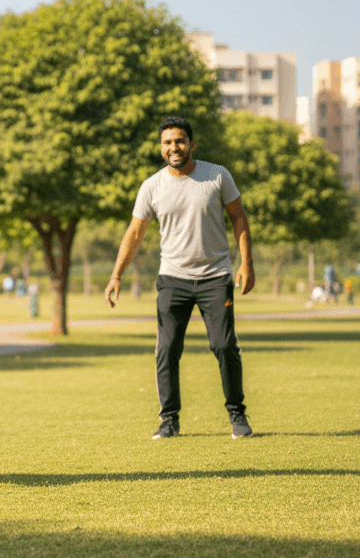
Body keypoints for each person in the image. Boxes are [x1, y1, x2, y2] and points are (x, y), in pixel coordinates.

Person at [105, 116, 256, 440]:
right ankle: (169, 420)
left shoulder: (217, 176)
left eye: (180, 141)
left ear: (191, 144)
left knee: (223, 345)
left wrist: (246, 263)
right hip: (173, 279)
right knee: (167, 349)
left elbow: (239, 217)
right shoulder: (152, 186)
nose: (174, 147)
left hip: (215, 277)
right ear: (161, 147)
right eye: (168, 142)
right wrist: (117, 274)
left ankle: (237, 414)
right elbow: (135, 233)